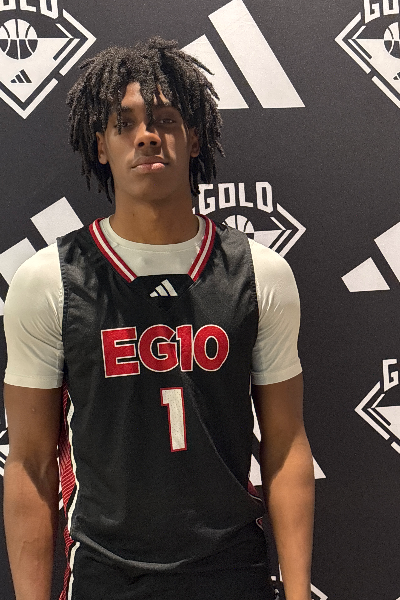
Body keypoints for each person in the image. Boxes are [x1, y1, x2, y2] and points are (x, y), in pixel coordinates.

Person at [3, 38, 314, 600]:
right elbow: (29, 463)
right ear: (100, 147)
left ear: (194, 137)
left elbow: (286, 442)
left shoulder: (259, 273)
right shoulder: (49, 280)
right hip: (105, 574)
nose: (147, 135)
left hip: (232, 571)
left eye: (165, 119)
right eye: (124, 125)